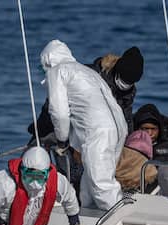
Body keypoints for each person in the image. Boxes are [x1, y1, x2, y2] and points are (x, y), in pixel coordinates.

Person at [41, 39, 129, 210]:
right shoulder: (87, 71)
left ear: (47, 60)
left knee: (101, 185)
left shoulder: (57, 71)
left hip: (97, 131)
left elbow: (59, 112)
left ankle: (124, 220)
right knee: (89, 182)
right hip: (118, 127)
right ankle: (88, 214)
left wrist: (62, 140)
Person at [89, 46, 144, 130]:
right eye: (124, 79)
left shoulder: (129, 92)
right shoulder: (92, 75)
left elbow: (126, 116)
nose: (126, 84)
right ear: (118, 71)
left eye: (130, 82)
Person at [134, 103, 168, 194]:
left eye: (153, 129)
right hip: (136, 184)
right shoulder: (128, 144)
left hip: (163, 185)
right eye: (145, 129)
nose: (149, 133)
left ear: (159, 129)